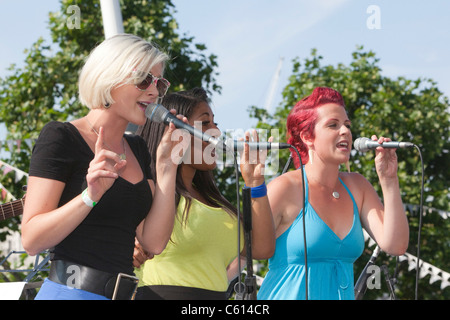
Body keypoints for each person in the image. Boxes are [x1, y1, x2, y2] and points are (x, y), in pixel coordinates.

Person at [21, 33, 184, 300]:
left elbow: (153, 242)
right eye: (144, 79)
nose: (154, 92)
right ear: (110, 77)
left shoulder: (139, 149)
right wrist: (90, 195)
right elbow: (32, 239)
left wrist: (167, 167)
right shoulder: (61, 136)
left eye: (160, 83)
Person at [257, 87, 409, 300]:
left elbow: (395, 244)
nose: (345, 131)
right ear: (307, 136)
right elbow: (243, 254)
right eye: (333, 125)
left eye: (347, 125)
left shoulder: (358, 186)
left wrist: (389, 180)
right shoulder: (283, 188)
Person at [133, 88, 275, 300]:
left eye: (215, 123)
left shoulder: (215, 202)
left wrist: (256, 183)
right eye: (205, 123)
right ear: (173, 129)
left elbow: (262, 249)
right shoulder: (149, 189)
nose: (216, 131)